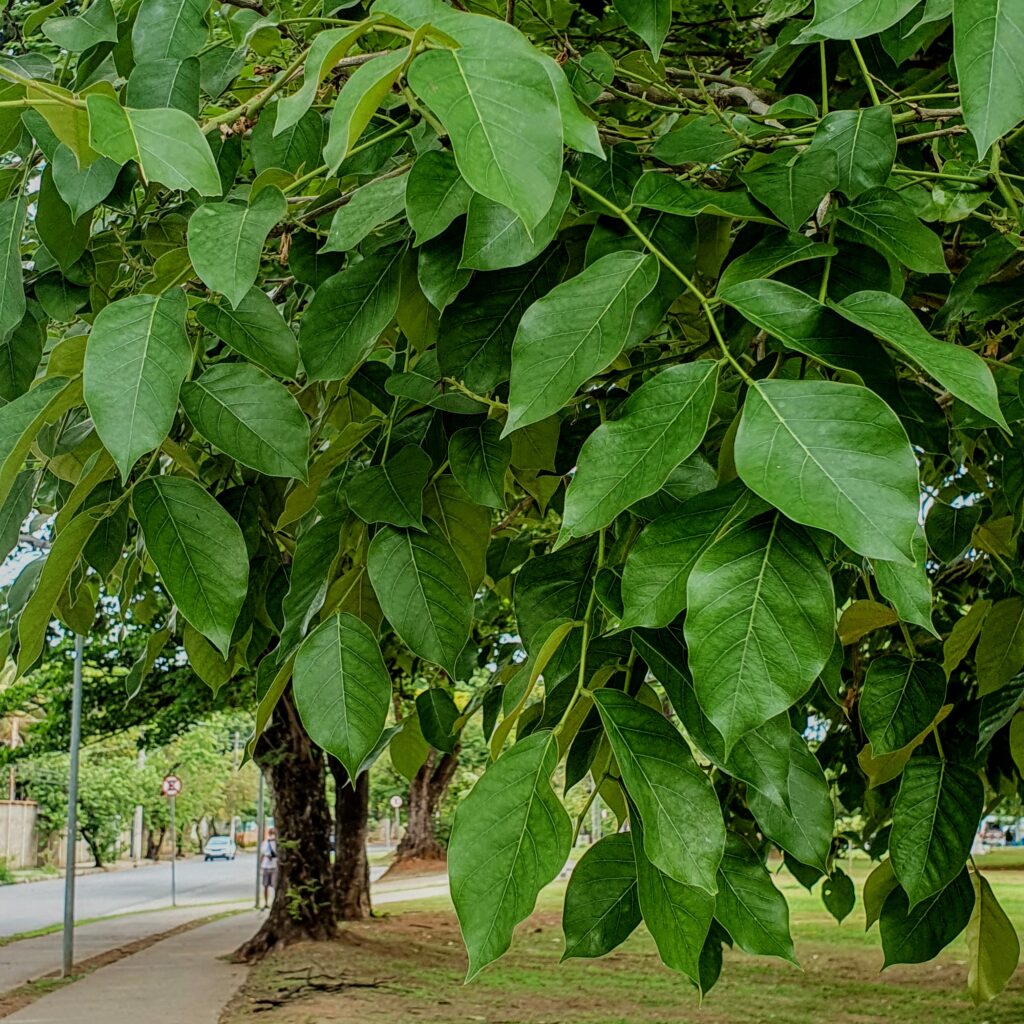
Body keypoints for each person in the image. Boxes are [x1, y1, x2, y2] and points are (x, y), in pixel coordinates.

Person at [260, 827, 277, 910]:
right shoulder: (274, 843)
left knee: (266, 886)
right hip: (273, 866)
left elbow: (262, 855)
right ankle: (269, 902)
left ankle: (267, 903)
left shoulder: (265, 842)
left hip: (267, 866)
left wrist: (260, 867)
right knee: (273, 886)